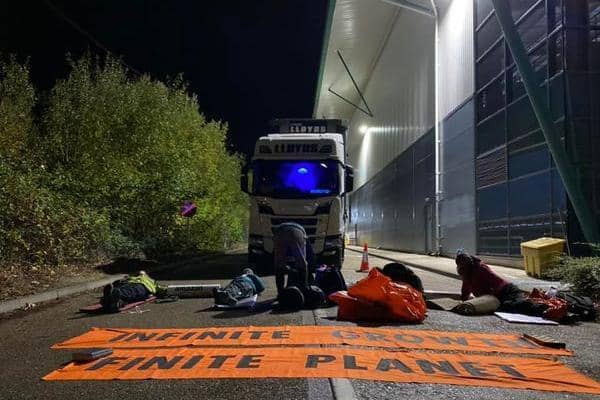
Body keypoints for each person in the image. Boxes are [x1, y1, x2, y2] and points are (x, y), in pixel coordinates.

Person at [455, 251, 549, 317]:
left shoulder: (480, 269)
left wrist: (490, 299)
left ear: (468, 265)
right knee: (508, 308)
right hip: (497, 296)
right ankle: (540, 307)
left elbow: (496, 284)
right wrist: (463, 302)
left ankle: (546, 309)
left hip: (506, 291)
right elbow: (465, 290)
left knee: (514, 306)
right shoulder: (467, 275)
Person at [273, 222, 310, 297]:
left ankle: (280, 293)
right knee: (302, 263)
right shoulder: (303, 235)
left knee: (279, 265)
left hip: (279, 232)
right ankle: (304, 291)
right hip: (297, 232)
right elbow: (305, 260)